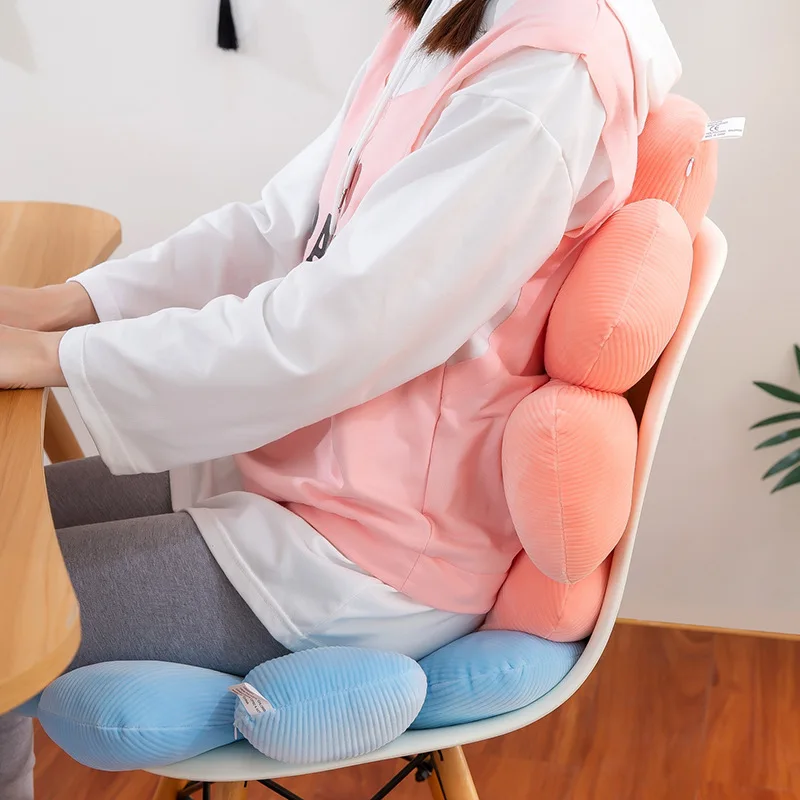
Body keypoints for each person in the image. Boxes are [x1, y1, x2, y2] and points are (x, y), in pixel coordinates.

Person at [0, 0, 681, 796]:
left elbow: (331, 332)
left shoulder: (546, 79)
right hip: (297, 470)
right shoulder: (449, 19)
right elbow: (276, 228)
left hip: (365, 554)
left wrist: (53, 357)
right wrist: (58, 307)